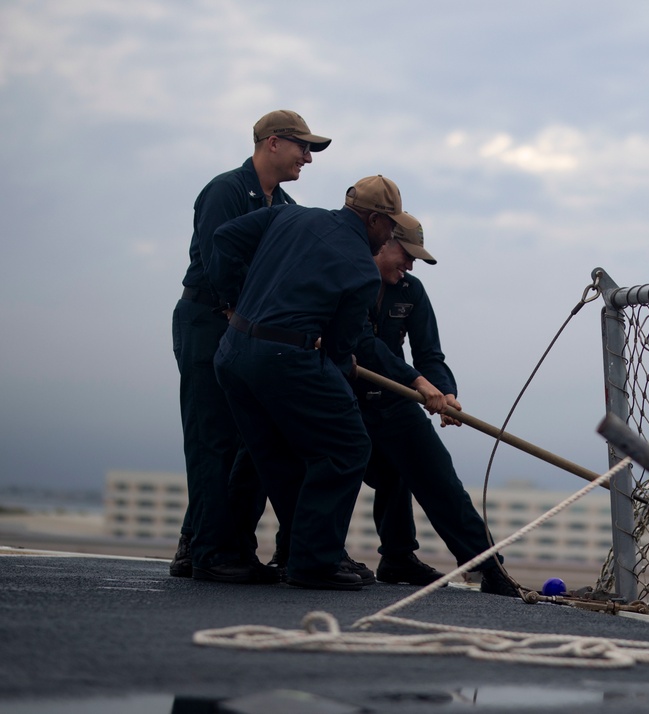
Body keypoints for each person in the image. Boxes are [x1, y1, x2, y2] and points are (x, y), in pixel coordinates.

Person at [209, 176, 447, 590]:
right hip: (287, 358)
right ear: (374, 220)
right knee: (349, 445)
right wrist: (335, 387)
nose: (390, 236)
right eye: (390, 228)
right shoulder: (361, 269)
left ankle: (294, 555)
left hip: (232, 355)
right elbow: (341, 349)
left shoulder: (289, 216)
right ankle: (315, 562)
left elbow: (225, 237)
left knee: (275, 455)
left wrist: (233, 300)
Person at [171, 110, 330, 583]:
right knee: (211, 438)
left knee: (244, 443)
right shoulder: (225, 190)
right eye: (303, 147)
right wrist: (244, 311)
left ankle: (204, 546)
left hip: (245, 329)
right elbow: (218, 260)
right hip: (209, 321)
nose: (308, 157)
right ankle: (213, 554)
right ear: (273, 143)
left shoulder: (284, 204)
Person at [359, 219, 520, 597]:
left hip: (395, 399)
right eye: (407, 256)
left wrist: (445, 394)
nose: (410, 267)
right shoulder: (351, 279)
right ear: (384, 242)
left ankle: (487, 567)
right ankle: (309, 556)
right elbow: (364, 345)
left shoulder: (412, 291)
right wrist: (418, 383)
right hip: (345, 397)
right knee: (345, 474)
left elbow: (429, 354)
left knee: (439, 477)